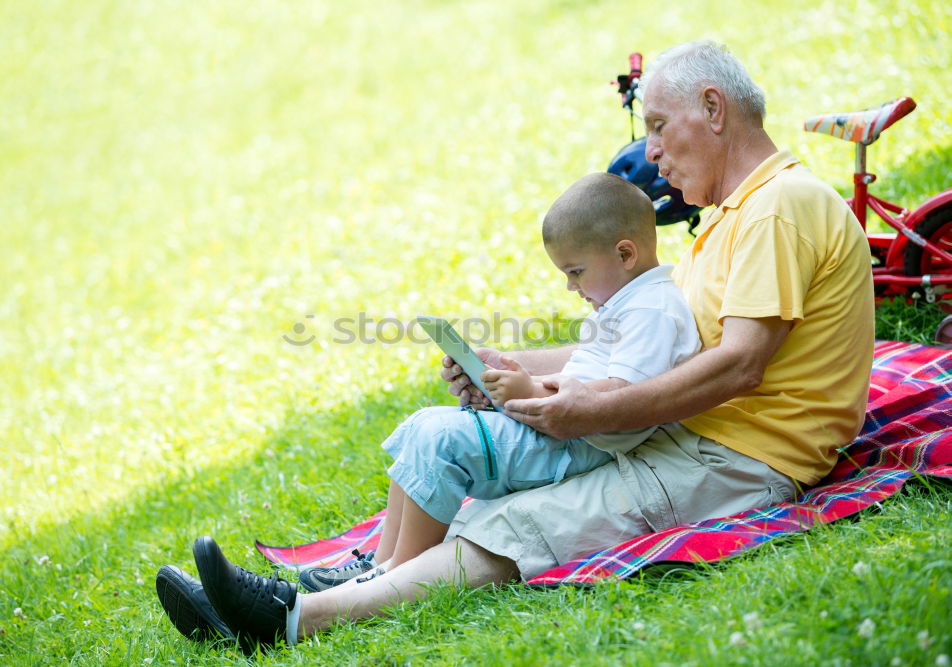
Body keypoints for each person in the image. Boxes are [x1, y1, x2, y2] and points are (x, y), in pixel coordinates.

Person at [154, 40, 874, 651]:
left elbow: (740, 363)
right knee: (479, 501)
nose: (650, 149)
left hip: (743, 457)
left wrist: (588, 413)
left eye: (658, 125)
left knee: (524, 524)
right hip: (685, 435)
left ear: (713, 110)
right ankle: (298, 590)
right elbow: (646, 338)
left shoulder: (780, 208)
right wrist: (512, 368)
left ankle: (284, 620)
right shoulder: (731, 217)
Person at [291, 173, 699, 592]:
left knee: (439, 439)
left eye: (576, 271)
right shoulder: (624, 300)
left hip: (581, 445)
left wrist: (530, 393)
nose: (570, 285)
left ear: (625, 254)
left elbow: (623, 398)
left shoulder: (651, 310)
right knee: (421, 426)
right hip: (567, 431)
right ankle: (383, 560)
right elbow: (589, 371)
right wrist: (508, 380)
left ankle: (395, 576)